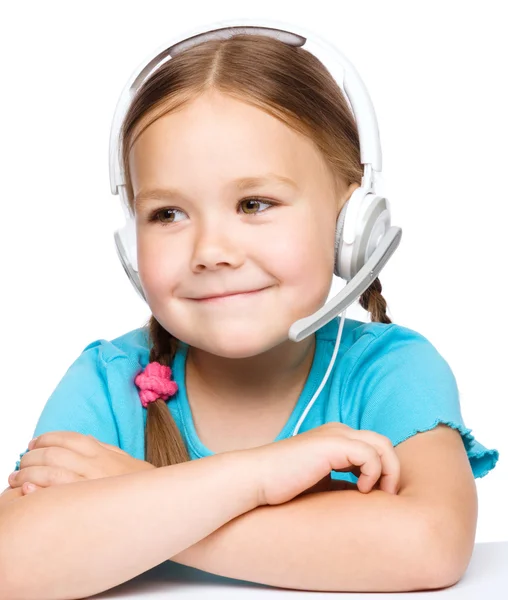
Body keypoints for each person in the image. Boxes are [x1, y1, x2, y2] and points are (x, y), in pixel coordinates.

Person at [0, 28, 499, 597]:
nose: (211, 251)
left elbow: (428, 545)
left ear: (350, 224)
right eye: (167, 214)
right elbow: (13, 563)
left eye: (254, 204)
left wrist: (145, 498)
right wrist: (258, 476)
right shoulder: (106, 380)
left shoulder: (390, 370)